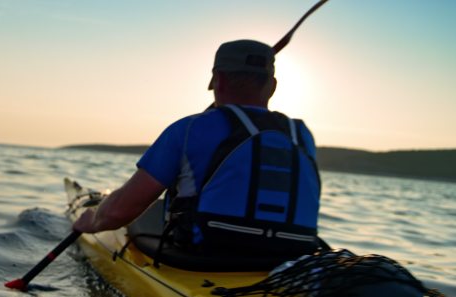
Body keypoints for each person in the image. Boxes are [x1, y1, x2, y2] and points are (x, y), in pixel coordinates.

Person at [73, 39, 322, 261]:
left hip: (204, 256)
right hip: (290, 257)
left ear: (217, 80)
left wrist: (93, 221)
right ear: (272, 86)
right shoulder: (301, 134)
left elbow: (119, 211)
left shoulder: (190, 129)